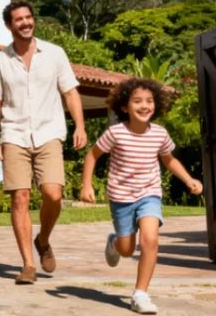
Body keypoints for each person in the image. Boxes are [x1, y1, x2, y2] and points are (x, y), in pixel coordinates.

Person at [79, 78, 203, 314]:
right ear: (125, 107)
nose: (144, 106)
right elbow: (92, 156)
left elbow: (169, 159)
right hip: (121, 197)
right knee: (127, 249)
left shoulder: (159, 134)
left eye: (149, 101)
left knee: (150, 240)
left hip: (150, 194)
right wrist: (86, 185)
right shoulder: (115, 132)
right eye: (137, 101)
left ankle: (141, 293)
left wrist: (189, 179)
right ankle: (115, 243)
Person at [0, 0, 87, 284]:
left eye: (29, 17)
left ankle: (43, 238)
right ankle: (28, 264)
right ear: (9, 25)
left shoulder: (55, 54)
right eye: (19, 19)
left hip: (49, 132)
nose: (25, 23)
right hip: (14, 135)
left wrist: (80, 125)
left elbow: (70, 92)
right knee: (20, 197)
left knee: (53, 195)